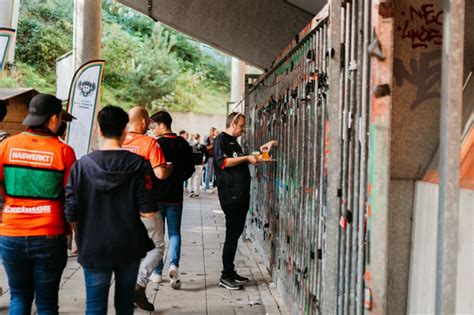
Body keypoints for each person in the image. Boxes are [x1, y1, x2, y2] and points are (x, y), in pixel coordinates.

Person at [64, 105, 157, 314]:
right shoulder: (139, 165)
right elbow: (148, 211)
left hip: (93, 245)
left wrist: (80, 236)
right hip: (128, 245)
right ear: (125, 130)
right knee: (124, 306)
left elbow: (70, 211)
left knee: (95, 307)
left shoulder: (82, 166)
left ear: (99, 129)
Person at [0, 93, 76, 313]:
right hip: (49, 234)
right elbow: (71, 196)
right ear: (53, 119)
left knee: (19, 297)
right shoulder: (64, 151)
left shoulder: (7, 146)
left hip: (11, 232)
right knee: (46, 303)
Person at [213, 112, 276, 290]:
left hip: (240, 195)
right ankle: (225, 276)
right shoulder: (221, 140)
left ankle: (230, 272)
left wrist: (256, 154)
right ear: (233, 123)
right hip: (231, 195)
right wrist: (247, 158)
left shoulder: (233, 142)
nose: (243, 130)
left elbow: (237, 160)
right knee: (231, 235)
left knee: (235, 234)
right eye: (241, 126)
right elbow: (223, 162)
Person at [121, 106, 171, 311]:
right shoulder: (150, 143)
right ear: (142, 122)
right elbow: (160, 174)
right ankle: (139, 285)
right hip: (145, 204)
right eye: (148, 122)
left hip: (121, 206)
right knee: (158, 245)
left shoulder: (119, 140)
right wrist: (169, 167)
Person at [148, 111, 194, 289]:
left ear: (162, 125)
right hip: (175, 196)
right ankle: (173, 264)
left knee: (157, 236)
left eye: (154, 126)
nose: (152, 130)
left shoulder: (156, 144)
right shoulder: (183, 143)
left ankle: (157, 273)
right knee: (174, 233)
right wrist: (178, 178)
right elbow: (190, 169)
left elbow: (150, 171)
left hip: (157, 197)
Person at [189, 133, 208, 198]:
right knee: (197, 178)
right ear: (199, 138)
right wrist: (205, 162)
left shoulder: (190, 145)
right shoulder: (202, 146)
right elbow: (207, 154)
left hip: (191, 164)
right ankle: (196, 192)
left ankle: (191, 190)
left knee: (191, 178)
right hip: (199, 164)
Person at [204, 127, 218, 192]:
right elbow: (206, 147)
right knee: (208, 172)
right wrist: (213, 145)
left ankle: (208, 186)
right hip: (209, 157)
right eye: (215, 131)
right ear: (212, 131)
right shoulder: (208, 138)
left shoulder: (213, 138)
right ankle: (206, 187)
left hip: (213, 157)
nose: (216, 133)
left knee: (211, 172)